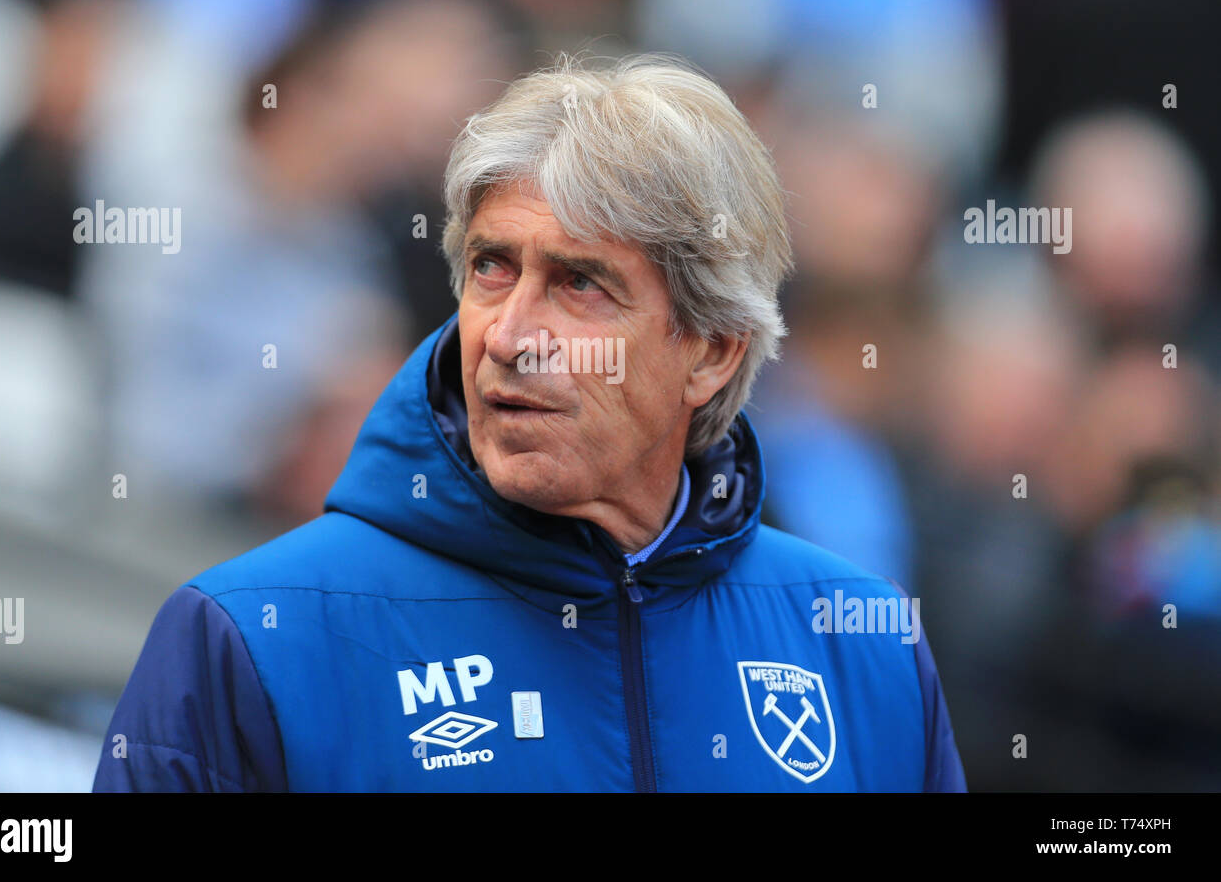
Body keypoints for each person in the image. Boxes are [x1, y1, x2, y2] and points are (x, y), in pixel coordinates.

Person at [93, 54, 966, 792]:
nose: (510, 337)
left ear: (711, 352)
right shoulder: (249, 638)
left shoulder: (863, 648)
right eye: (491, 268)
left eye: (581, 284)